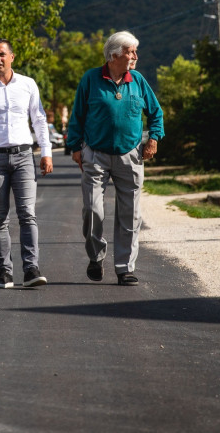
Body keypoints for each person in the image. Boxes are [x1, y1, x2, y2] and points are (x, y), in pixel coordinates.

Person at [66, 31, 164, 286]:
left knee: (130, 215)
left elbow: (156, 113)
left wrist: (153, 138)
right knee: (92, 210)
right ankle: (96, 257)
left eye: (134, 52)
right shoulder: (91, 79)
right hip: (95, 154)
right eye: (130, 52)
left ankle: (125, 268)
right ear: (114, 56)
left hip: (130, 154)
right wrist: (75, 146)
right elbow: (77, 115)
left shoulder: (138, 80)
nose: (135, 56)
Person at [0, 38, 53, 289]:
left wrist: (46, 151)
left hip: (24, 156)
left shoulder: (28, 84)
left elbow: (39, 119)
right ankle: (4, 273)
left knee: (27, 214)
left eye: (2, 54)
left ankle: (31, 269)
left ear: (12, 57)